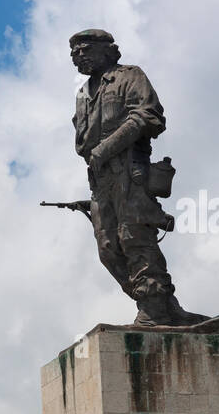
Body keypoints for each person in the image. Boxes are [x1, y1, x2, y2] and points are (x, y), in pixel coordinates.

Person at [69, 29, 210, 327]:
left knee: (134, 238)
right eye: (74, 52)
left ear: (108, 50)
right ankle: (163, 305)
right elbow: (82, 143)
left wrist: (106, 148)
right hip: (100, 180)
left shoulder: (128, 77)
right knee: (108, 248)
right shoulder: (83, 95)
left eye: (85, 49)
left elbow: (149, 116)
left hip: (129, 172)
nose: (78, 56)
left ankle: (154, 308)